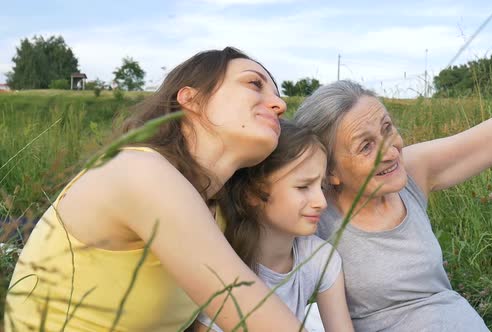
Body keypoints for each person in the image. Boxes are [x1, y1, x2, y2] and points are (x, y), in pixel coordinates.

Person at [5, 47, 307, 331]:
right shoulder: (137, 171)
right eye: (254, 84)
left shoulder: (219, 212)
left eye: (278, 97)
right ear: (191, 99)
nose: (280, 105)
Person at [293, 66, 492, 331]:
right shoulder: (314, 216)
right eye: (366, 146)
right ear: (329, 170)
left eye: (387, 128)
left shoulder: (412, 171)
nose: (390, 151)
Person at [195, 120, 353, 332]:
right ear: (253, 193)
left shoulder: (320, 258)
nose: (321, 201)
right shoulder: (224, 266)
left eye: (321, 186)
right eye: (303, 186)